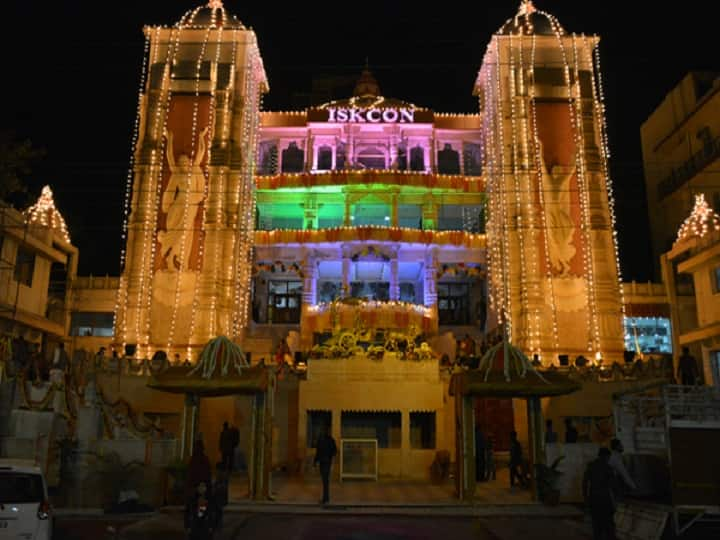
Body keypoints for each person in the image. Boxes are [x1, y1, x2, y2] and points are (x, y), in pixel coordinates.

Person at [160, 127, 209, 272]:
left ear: (189, 161)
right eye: (181, 162)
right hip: (178, 207)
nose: (184, 164)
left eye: (185, 161)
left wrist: (202, 137)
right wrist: (169, 140)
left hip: (191, 207)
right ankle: (170, 260)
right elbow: (169, 157)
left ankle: (180, 261)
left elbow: (201, 152)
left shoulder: (195, 170)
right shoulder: (177, 174)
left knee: (187, 235)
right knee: (180, 233)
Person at [583, 447, 617, 540]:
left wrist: (585, 498)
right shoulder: (608, 468)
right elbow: (613, 486)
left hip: (593, 498)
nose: (609, 459)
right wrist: (615, 502)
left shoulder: (590, 466)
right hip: (605, 499)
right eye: (608, 457)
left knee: (596, 525)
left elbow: (584, 483)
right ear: (606, 456)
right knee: (609, 525)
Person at [314, 425, 337, 505]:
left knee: (325, 480)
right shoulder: (329, 440)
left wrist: (315, 461)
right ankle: (326, 498)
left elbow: (318, 452)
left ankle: (325, 498)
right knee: (325, 480)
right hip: (325, 462)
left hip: (324, 462)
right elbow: (334, 451)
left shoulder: (324, 440)